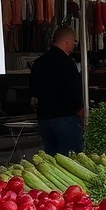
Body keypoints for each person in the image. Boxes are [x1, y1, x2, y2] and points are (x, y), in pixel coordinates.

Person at [29, 25, 84, 155]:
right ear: (68, 41)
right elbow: (74, 91)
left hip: (44, 119)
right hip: (66, 119)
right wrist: (80, 107)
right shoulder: (68, 63)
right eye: (74, 42)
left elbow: (33, 90)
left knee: (51, 160)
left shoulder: (39, 62)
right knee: (69, 161)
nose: (73, 46)